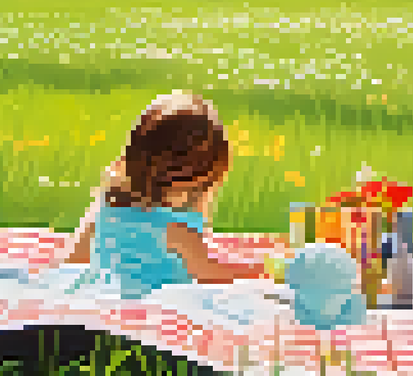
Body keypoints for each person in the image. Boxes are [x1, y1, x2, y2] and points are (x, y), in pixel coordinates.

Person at [55, 92, 264, 297]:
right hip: (159, 305)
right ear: (197, 179)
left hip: (106, 299)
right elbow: (211, 274)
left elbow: (73, 263)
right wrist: (258, 272)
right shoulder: (177, 230)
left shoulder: (104, 211)